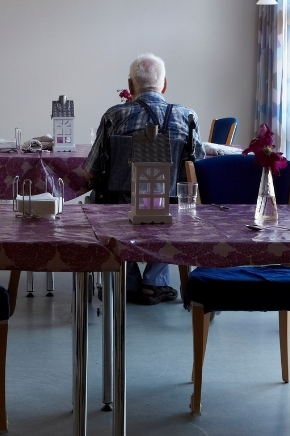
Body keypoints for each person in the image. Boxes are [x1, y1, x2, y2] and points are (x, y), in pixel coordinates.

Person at [85, 53, 203, 306]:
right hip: (172, 205)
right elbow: (197, 169)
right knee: (174, 207)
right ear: (165, 84)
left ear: (130, 86)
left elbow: (92, 170)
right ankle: (154, 282)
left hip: (119, 204)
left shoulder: (114, 116)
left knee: (105, 199)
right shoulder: (187, 116)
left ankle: (127, 281)